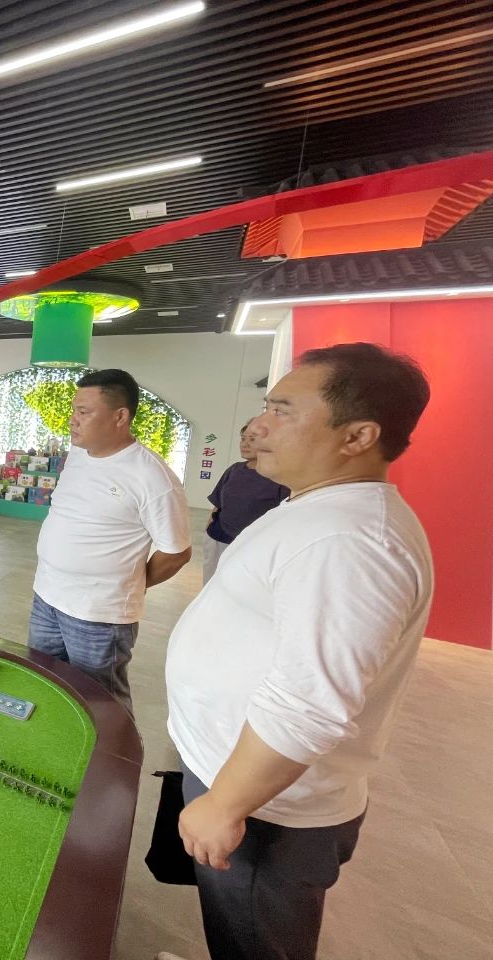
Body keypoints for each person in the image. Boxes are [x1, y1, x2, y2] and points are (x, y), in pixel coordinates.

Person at [164, 342, 432, 960]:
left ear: (358, 435)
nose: (258, 427)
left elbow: (308, 703)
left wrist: (227, 803)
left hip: (270, 810)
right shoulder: (317, 508)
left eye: (282, 410)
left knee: (255, 937)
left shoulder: (350, 542)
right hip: (244, 782)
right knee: (232, 925)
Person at [30, 369, 191, 714]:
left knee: (102, 703)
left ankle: (111, 751)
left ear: (120, 417)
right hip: (47, 596)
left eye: (84, 412)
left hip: (99, 615)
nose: (72, 420)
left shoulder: (152, 477)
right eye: (74, 410)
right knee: (45, 681)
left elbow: (177, 552)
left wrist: (130, 583)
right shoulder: (78, 454)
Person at [202, 418, 288, 581]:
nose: (245, 444)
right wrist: (209, 529)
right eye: (243, 439)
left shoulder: (279, 477)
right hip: (219, 538)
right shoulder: (234, 470)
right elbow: (218, 504)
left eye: (252, 440)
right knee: (211, 584)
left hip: (254, 546)